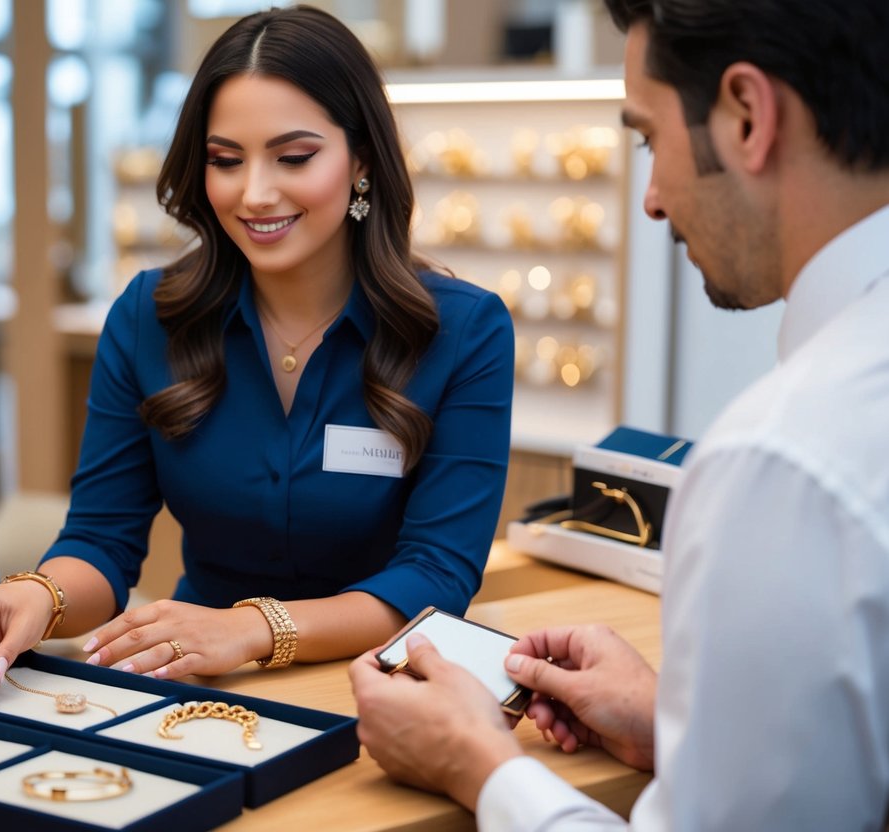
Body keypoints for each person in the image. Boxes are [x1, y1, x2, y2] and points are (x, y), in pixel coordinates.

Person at [350, 0, 889, 828]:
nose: (650, 199)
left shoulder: (782, 460)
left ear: (747, 115)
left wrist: (478, 764)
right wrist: (681, 728)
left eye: (649, 139)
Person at [0, 6, 513, 698]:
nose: (255, 193)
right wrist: (35, 596)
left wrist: (251, 628)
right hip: (205, 684)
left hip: (388, 688)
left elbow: (436, 575)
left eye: (293, 157)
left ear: (360, 159)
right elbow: (101, 541)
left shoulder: (465, 331)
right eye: (224, 161)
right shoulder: (148, 318)